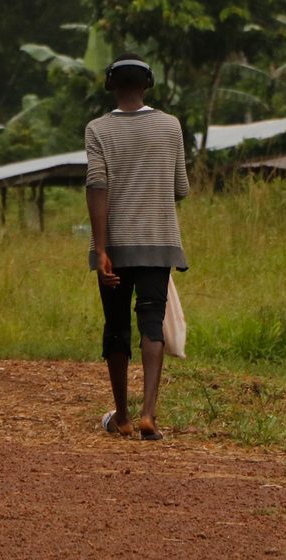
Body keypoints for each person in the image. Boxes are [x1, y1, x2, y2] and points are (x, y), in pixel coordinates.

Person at [85, 53, 189, 441]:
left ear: (111, 85)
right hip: (159, 243)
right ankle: (149, 414)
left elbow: (96, 186)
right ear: (148, 84)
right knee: (151, 320)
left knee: (116, 326)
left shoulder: (97, 129)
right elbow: (181, 188)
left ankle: (123, 417)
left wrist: (102, 249)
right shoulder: (170, 126)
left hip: (115, 247)